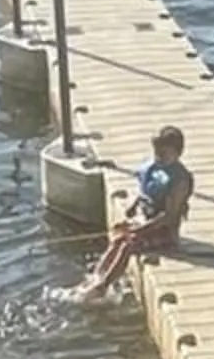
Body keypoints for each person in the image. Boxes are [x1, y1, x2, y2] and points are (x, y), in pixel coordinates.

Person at [77, 125, 194, 298]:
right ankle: (96, 276)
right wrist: (133, 206)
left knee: (128, 244)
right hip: (144, 220)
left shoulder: (180, 180)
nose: (158, 158)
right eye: (156, 153)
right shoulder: (155, 168)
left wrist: (139, 230)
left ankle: (103, 286)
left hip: (163, 231)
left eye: (163, 154)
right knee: (118, 235)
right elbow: (145, 191)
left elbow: (168, 217)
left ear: (177, 153)